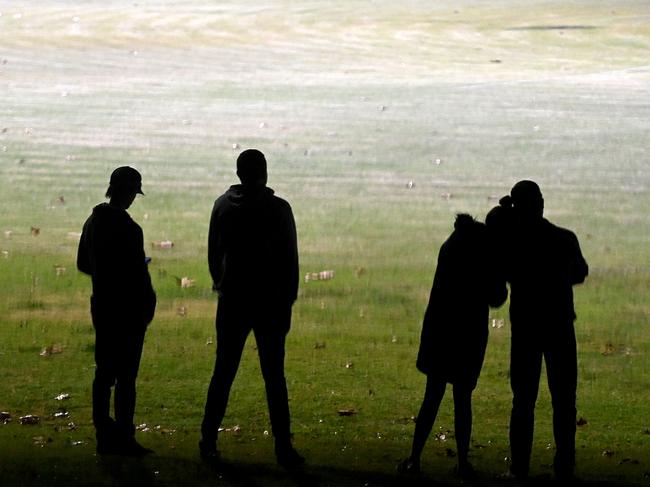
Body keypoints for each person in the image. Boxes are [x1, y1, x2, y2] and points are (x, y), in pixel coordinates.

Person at [199, 149, 304, 468]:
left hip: (232, 300)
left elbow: (213, 254)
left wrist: (222, 283)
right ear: (265, 173)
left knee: (223, 371)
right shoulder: (278, 209)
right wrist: (287, 300)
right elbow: (290, 261)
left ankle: (208, 439)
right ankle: (283, 446)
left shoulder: (222, 206)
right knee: (274, 376)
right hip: (270, 302)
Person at [398, 214, 507, 478]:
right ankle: (462, 461)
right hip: (468, 335)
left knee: (432, 396)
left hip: (441, 331)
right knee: (462, 399)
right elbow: (496, 297)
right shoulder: (482, 251)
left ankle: (414, 458)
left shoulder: (451, 246)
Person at [497, 180, 588, 481]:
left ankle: (519, 468)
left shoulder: (513, 243)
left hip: (526, 328)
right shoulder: (563, 239)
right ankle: (565, 468)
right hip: (560, 325)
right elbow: (579, 272)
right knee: (564, 400)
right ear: (542, 203)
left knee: (523, 400)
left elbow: (503, 272)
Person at [77, 166, 156, 456]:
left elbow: (83, 264)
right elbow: (137, 274)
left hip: (103, 305)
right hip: (128, 311)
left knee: (104, 372)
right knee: (126, 378)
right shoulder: (130, 229)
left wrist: (104, 274)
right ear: (130, 192)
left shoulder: (93, 222)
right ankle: (125, 436)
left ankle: (103, 434)